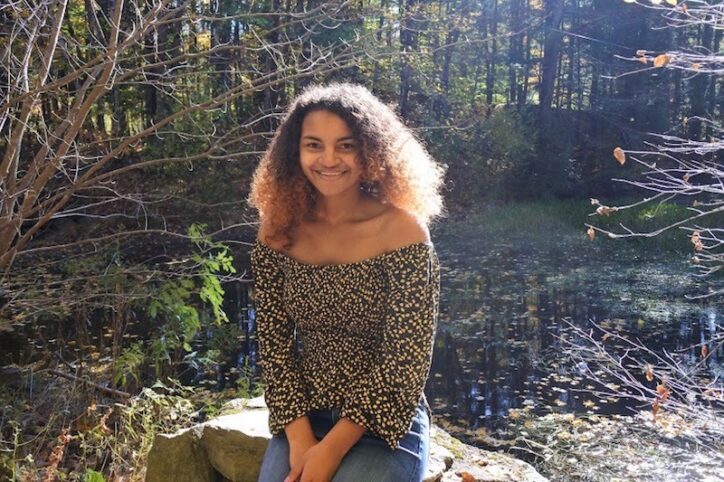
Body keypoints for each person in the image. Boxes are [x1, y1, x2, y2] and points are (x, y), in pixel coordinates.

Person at [248, 83, 445, 482]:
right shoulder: (278, 230)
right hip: (304, 413)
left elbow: (405, 361)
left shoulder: (402, 231)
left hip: (384, 421)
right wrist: (301, 440)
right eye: (314, 145)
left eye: (346, 145)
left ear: (370, 151)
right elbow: (273, 344)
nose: (329, 159)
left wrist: (330, 452)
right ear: (295, 152)